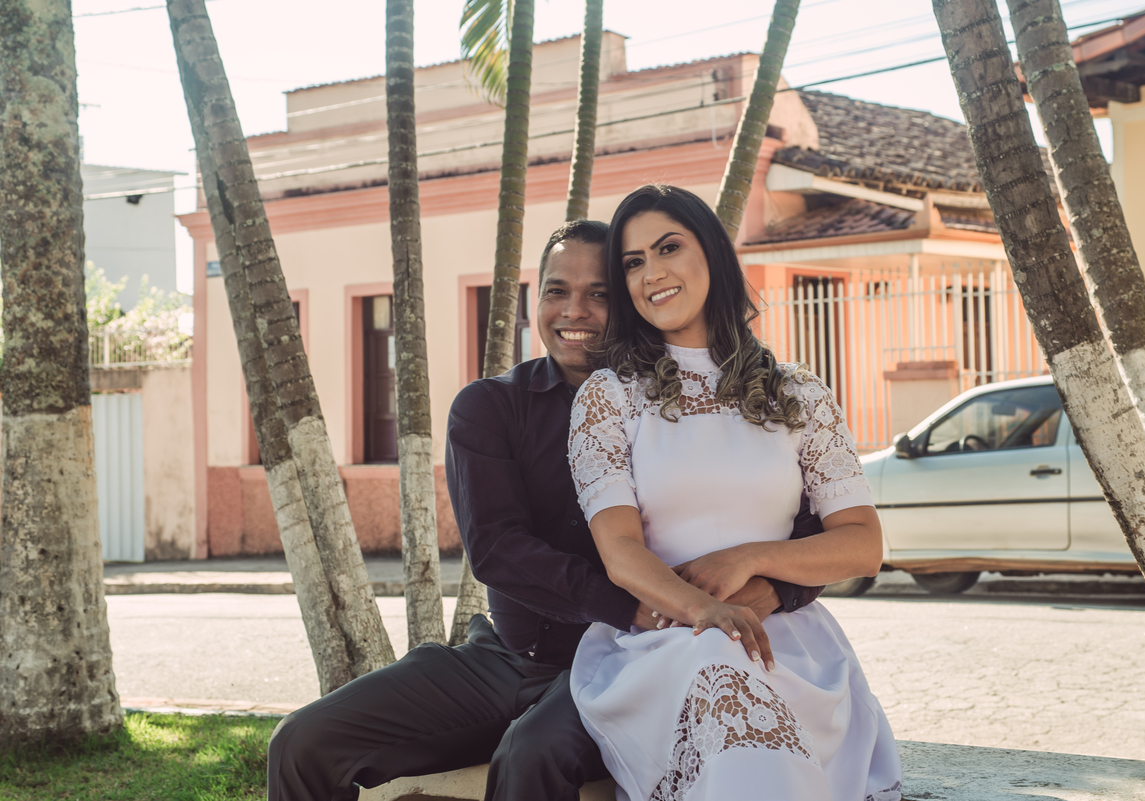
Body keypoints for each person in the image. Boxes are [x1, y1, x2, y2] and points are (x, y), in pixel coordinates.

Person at [267, 219, 826, 801]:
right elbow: (498, 550)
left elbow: (806, 529)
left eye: (600, 294)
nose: (574, 311)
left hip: (631, 659)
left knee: (528, 757)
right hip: (504, 659)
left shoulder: (685, 403)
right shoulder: (490, 407)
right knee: (302, 743)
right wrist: (641, 606)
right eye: (557, 291)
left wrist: (772, 593)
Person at [567, 185, 903, 801]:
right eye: (633, 262)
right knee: (725, 696)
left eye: (668, 247)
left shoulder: (799, 393)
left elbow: (862, 546)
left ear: (715, 256)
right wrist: (706, 612)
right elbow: (619, 552)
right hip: (668, 641)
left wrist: (749, 558)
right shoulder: (609, 397)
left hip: (788, 641)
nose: (652, 273)